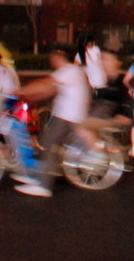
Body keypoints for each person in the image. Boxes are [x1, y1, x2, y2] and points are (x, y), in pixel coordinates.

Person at [16, 49, 91, 197]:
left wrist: (20, 91)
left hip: (67, 117)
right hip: (69, 115)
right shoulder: (73, 71)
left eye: (53, 58)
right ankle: (39, 174)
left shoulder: (68, 70)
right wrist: (31, 96)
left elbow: (46, 83)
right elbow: (49, 90)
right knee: (46, 142)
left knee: (49, 145)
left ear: (59, 58)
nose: (51, 61)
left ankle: (43, 186)